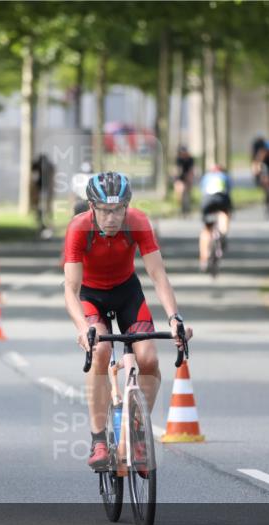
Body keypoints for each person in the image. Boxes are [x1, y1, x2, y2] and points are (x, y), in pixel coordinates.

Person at [63, 171, 192, 470]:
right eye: (105, 210)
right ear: (92, 207)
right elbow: (70, 289)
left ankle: (136, 431)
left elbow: (158, 275)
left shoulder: (138, 223)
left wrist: (174, 318)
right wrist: (83, 329)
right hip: (91, 296)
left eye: (119, 209)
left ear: (127, 207)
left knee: (148, 358)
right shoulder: (79, 228)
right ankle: (98, 440)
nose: (112, 218)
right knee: (101, 351)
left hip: (126, 292)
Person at [198, 164, 233, 270]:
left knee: (206, 229)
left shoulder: (206, 177)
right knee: (224, 214)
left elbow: (202, 191)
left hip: (207, 200)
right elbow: (229, 190)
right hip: (222, 198)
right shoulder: (225, 176)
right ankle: (223, 233)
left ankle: (203, 258)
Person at [31, 153, 56, 238]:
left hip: (45, 190)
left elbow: (51, 179)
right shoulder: (38, 166)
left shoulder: (48, 167)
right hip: (40, 190)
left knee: (46, 210)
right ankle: (41, 227)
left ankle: (47, 228)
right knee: (40, 210)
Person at [254, 139, 269, 211]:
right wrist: (257, 170)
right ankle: (266, 194)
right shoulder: (262, 153)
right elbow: (258, 163)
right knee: (264, 180)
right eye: (268, 150)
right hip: (265, 167)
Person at [174, 146, 195, 216]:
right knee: (180, 194)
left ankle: (187, 210)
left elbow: (191, 170)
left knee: (187, 194)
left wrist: (190, 179)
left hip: (188, 178)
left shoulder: (190, 159)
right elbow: (177, 169)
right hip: (180, 178)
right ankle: (181, 209)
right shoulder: (179, 159)